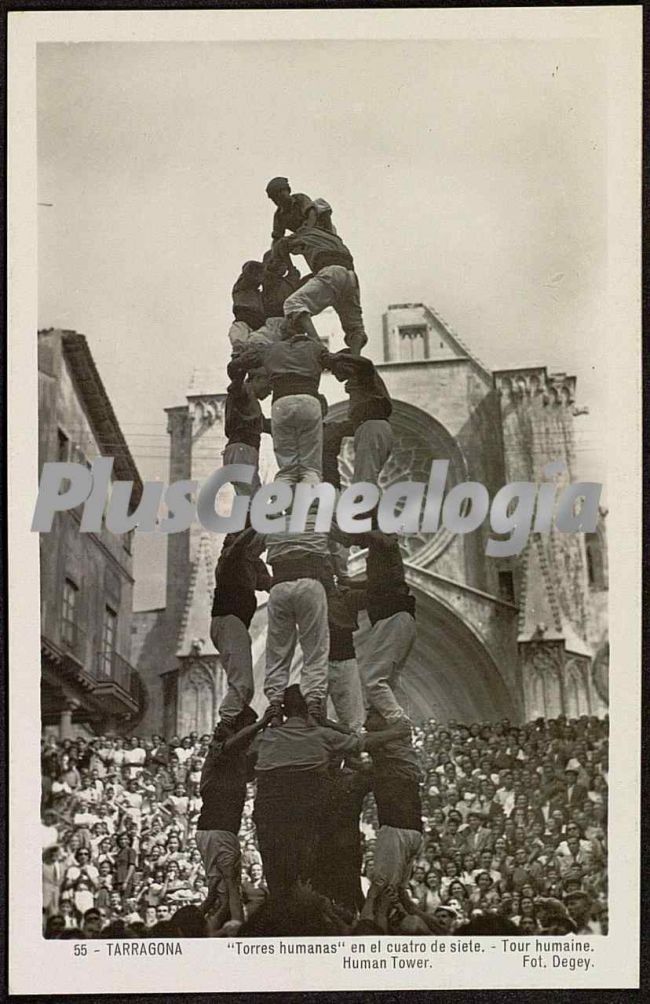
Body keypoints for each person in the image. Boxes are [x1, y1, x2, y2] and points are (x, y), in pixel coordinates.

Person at [251, 685, 410, 898]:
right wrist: (396, 732)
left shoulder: (267, 737)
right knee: (305, 875)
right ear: (310, 708)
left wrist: (267, 723)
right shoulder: (322, 735)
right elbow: (361, 742)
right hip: (305, 814)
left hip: (269, 814)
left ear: (283, 709)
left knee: (278, 876)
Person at [227, 334, 339, 485]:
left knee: (286, 472)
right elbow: (336, 363)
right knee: (310, 469)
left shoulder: (271, 349)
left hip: (281, 404)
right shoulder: (314, 347)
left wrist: (237, 378)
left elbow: (235, 365)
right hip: (309, 400)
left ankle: (279, 504)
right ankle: (310, 505)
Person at [331, 527, 416, 723]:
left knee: (372, 678)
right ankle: (381, 720)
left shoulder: (385, 545)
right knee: (384, 679)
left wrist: (337, 530)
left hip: (393, 617)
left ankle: (398, 722)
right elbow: (376, 585)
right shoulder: (383, 559)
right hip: (397, 619)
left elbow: (381, 540)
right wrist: (349, 583)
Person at [196, 707, 272, 923]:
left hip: (221, 831)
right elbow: (235, 744)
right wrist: (263, 723)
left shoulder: (236, 761)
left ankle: (194, 926)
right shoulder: (220, 750)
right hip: (216, 830)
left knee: (219, 897)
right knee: (228, 893)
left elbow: (255, 762)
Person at [263, 517, 332, 724]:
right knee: (315, 651)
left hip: (279, 585)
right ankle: (314, 704)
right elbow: (344, 542)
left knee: (277, 651)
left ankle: (275, 705)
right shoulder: (318, 519)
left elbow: (248, 545)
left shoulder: (273, 521)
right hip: (309, 582)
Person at [210, 527, 271, 730]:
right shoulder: (230, 558)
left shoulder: (249, 562)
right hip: (229, 622)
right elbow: (239, 546)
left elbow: (270, 583)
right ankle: (225, 725)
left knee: (244, 686)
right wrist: (257, 523)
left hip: (232, 625)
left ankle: (234, 722)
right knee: (242, 684)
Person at [276, 228, 367, 355]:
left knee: (293, 303)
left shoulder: (304, 232)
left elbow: (280, 245)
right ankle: (356, 358)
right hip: (351, 277)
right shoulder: (333, 236)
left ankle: (319, 347)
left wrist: (291, 269)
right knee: (355, 326)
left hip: (332, 272)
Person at [365, 708, 423, 897]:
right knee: (396, 893)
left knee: (380, 893)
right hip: (412, 830)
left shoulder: (388, 744)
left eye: (369, 716)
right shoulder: (395, 752)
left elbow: (356, 741)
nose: (365, 722)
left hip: (396, 828)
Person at [329, 350, 393, 485]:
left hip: (372, 428)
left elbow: (366, 364)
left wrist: (337, 357)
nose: (332, 373)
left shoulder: (365, 378)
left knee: (364, 482)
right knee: (365, 480)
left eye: (333, 368)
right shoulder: (362, 384)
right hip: (371, 428)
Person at [222, 366, 272, 497]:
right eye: (269, 384)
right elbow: (234, 388)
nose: (270, 391)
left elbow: (266, 425)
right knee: (255, 501)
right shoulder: (244, 392)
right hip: (242, 451)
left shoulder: (251, 403)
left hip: (240, 452)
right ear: (257, 378)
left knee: (248, 501)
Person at [265, 177, 335, 246]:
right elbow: (277, 237)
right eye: (275, 197)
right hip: (301, 235)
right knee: (279, 247)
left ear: (288, 191)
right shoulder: (279, 215)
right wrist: (276, 249)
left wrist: (305, 233)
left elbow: (312, 215)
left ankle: (332, 239)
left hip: (318, 227)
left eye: (281, 193)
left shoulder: (300, 198)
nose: (279, 198)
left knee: (319, 203)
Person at [228, 260, 266, 349]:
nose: (261, 278)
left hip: (258, 320)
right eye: (258, 274)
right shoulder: (242, 286)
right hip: (245, 315)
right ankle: (239, 349)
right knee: (240, 333)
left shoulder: (257, 293)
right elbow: (248, 272)